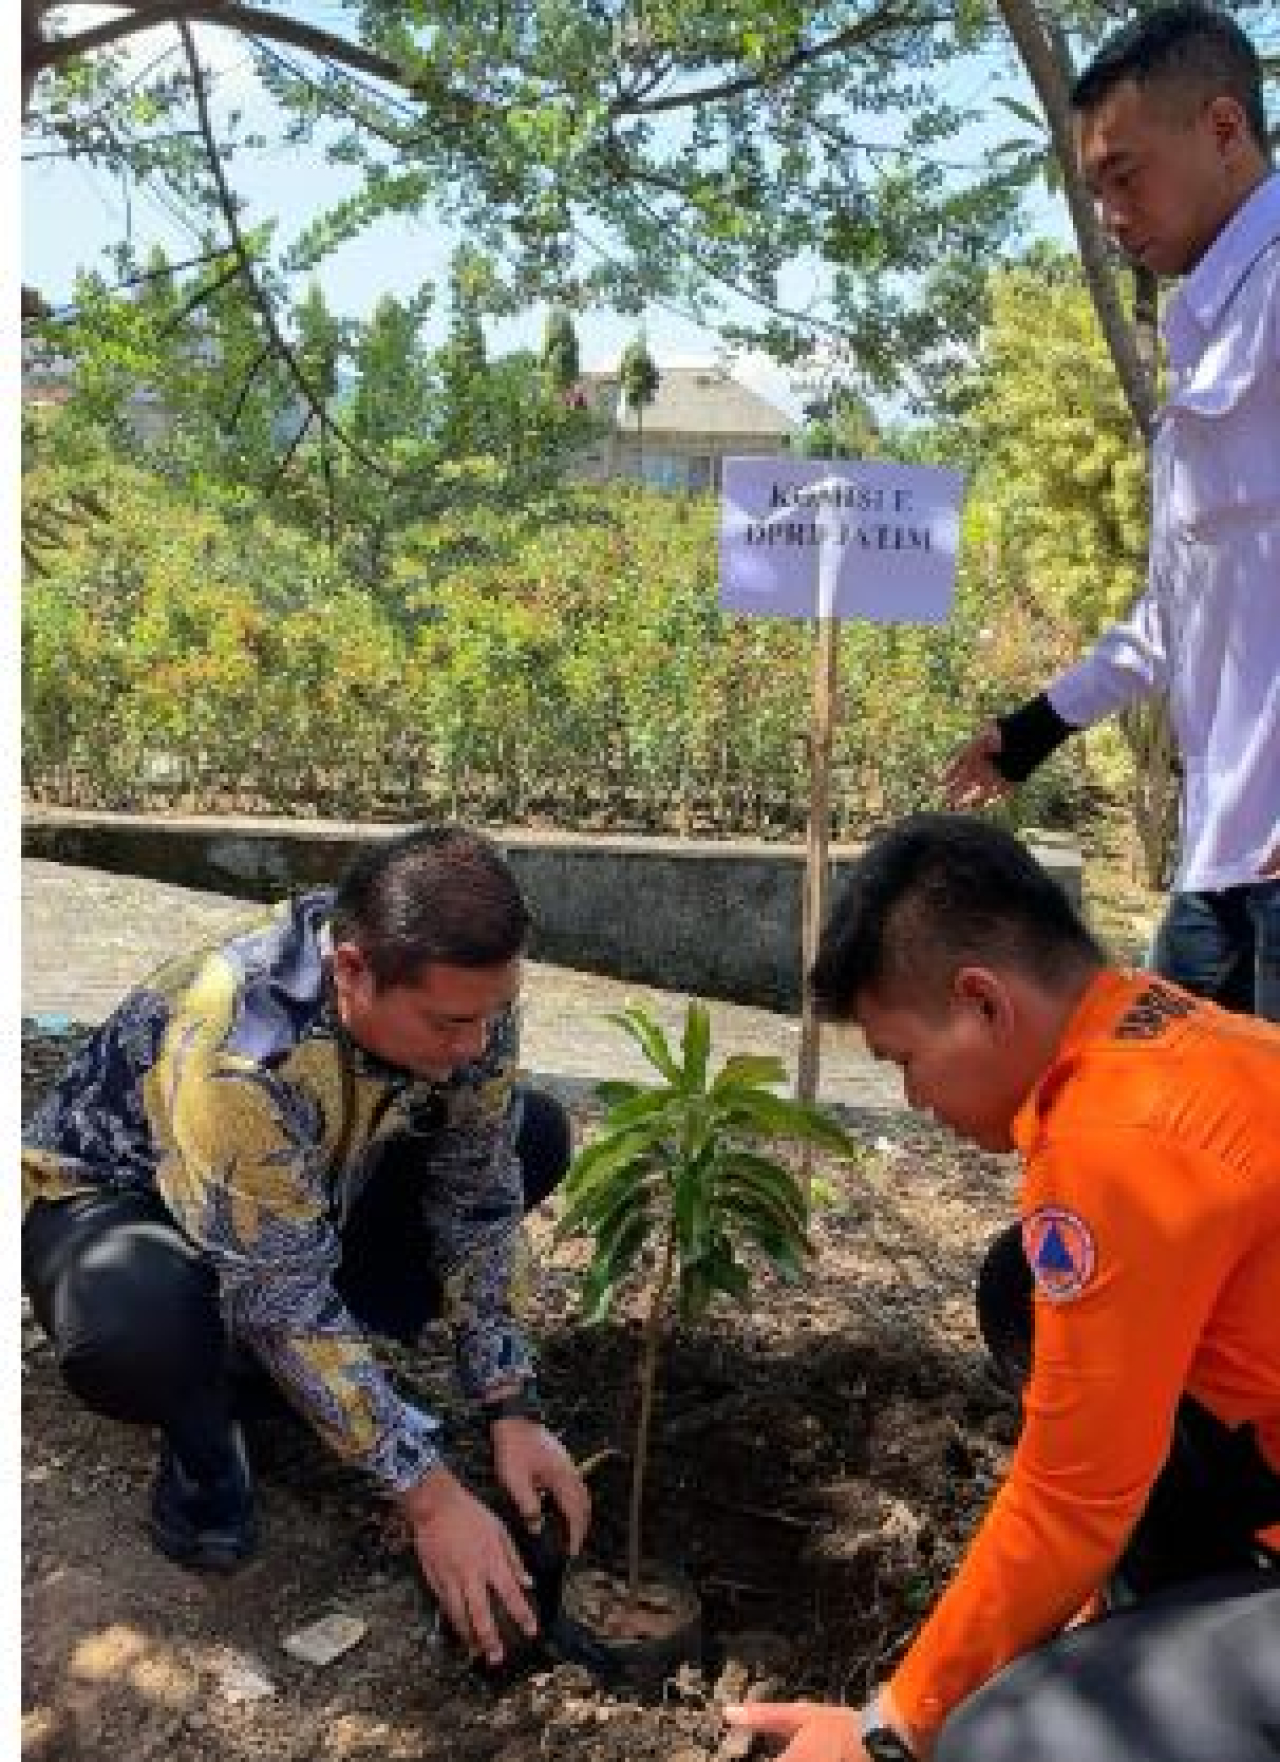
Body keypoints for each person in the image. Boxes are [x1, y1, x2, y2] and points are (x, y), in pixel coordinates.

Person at [725, 813, 1280, 1761]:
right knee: (1021, 1281)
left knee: (1005, 1736)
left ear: (983, 1002)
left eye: (904, 1059)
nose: (912, 1100)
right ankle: (1163, 1606)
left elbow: (1071, 1497)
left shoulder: (1116, 1146)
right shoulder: (1169, 1027)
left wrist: (888, 1730)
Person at [21, 825, 591, 1667]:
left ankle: (279, 1383)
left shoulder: (462, 997)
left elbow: (476, 1198)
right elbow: (276, 1291)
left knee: (531, 1133)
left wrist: (511, 1404)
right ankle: (205, 1433)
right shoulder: (239, 1044)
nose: (476, 1046)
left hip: (308, 1186)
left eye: (493, 1015)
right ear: (352, 970)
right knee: (143, 1327)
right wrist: (430, 1496)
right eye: (451, 1023)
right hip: (123, 1207)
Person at [943, 3, 1280, 1021]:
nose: (1109, 215)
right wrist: (1033, 729)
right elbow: (1176, 609)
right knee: (1155, 1123)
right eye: (1092, 190)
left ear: (1222, 130)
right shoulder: (1210, 329)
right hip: (1226, 847)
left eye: (1123, 176)